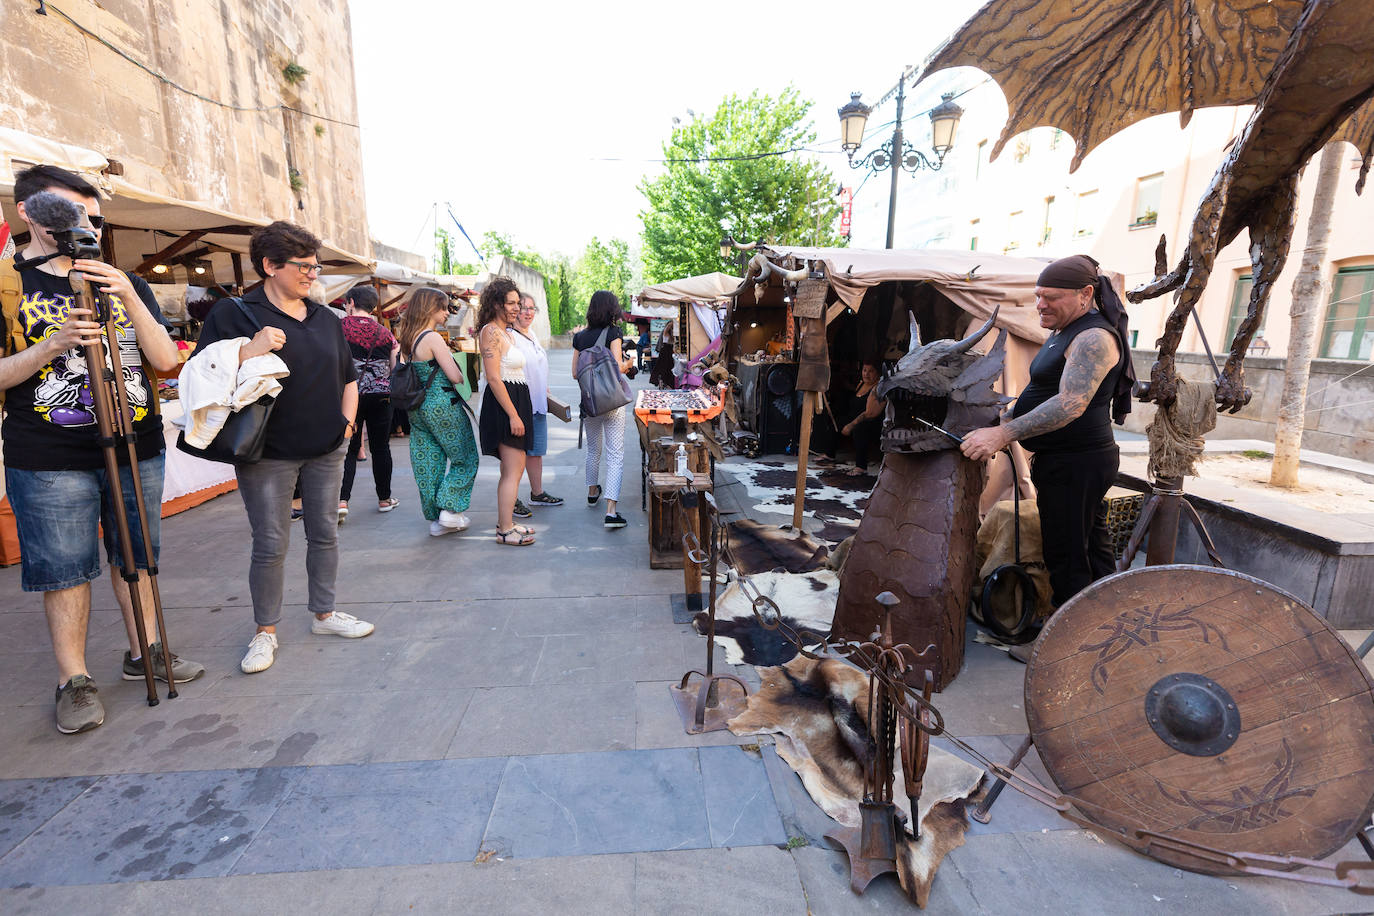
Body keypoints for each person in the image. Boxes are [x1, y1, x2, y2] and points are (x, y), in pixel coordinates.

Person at [1, 165, 204, 734]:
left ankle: (147, 650)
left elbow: (166, 360)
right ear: (29, 212)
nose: (81, 224)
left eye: (90, 215)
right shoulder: (9, 281)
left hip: (136, 442)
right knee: (64, 570)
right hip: (48, 452)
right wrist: (55, 345)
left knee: (137, 553)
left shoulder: (124, 279)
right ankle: (74, 680)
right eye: (67, 211)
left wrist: (125, 292)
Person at [194, 220, 374, 675]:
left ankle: (325, 614)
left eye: (316, 267)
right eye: (304, 266)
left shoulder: (324, 317)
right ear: (270, 265)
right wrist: (248, 350)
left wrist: (347, 425)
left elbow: (349, 378)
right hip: (267, 451)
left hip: (327, 446)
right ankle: (265, 632)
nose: (313, 274)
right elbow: (200, 375)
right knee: (271, 543)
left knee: (326, 534)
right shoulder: (234, 313)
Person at [960, 254, 1131, 608]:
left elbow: (1070, 404)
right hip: (1062, 462)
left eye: (1051, 297)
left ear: (1085, 293)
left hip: (1078, 464)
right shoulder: (1062, 331)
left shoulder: (1093, 338)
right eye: (1038, 295)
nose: (1040, 304)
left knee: (1066, 555)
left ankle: (1065, 642)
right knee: (1091, 548)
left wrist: (1003, 436)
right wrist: (1003, 419)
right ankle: (1106, 621)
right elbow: (1044, 391)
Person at [395, 286, 480, 537]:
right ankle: (451, 511)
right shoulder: (431, 338)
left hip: (416, 408)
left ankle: (436, 519)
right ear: (430, 308)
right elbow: (455, 376)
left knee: (428, 461)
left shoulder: (406, 338)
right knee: (465, 456)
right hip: (442, 405)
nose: (446, 313)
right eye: (442, 308)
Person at [476, 277, 536, 546]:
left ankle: (507, 522)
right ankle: (503, 530)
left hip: (516, 400)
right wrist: (513, 415)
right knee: (512, 469)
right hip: (504, 406)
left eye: (518, 303)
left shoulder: (506, 333)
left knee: (515, 468)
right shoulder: (490, 332)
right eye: (511, 303)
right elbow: (493, 378)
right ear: (496, 304)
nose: (516, 308)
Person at [573, 290, 635, 529]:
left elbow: (574, 372)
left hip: (589, 403)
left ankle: (592, 492)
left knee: (593, 450)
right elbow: (619, 367)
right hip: (611, 401)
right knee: (615, 454)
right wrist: (629, 364)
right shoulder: (613, 333)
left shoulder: (579, 337)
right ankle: (611, 511)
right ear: (612, 309)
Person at [338, 284, 399, 520]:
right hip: (381, 396)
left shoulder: (338, 327)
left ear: (351, 302)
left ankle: (342, 501)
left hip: (348, 396)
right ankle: (384, 499)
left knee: (349, 449)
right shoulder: (386, 333)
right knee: (381, 447)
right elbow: (394, 368)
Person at [509, 292, 562, 511]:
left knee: (536, 451)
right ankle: (510, 499)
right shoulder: (509, 336)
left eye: (532, 308)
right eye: (523, 307)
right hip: (520, 404)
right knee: (517, 455)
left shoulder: (531, 334)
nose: (528, 312)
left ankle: (537, 493)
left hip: (537, 402)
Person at [839, 363, 884, 476]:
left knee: (860, 428)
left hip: (874, 422)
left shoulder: (878, 388)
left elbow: (869, 413)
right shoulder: (861, 384)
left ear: (877, 374)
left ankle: (861, 466)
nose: (866, 374)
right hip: (857, 417)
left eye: (871, 371)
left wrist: (851, 425)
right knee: (838, 421)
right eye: (864, 370)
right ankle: (829, 454)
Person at [649, 322, 675, 388]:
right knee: (664, 367)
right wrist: (673, 321)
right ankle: (663, 381)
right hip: (666, 351)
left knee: (667, 368)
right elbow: (669, 325)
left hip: (668, 351)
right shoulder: (665, 332)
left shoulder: (671, 334)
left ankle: (664, 382)